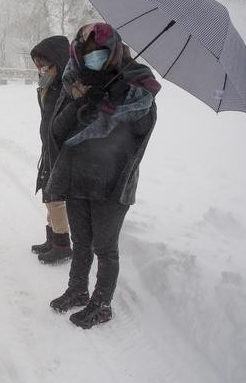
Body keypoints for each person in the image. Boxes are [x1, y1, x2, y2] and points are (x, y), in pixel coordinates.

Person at [46, 22, 160, 329]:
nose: (93, 58)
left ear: (114, 51)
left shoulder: (138, 88)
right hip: (78, 176)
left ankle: (102, 304)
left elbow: (139, 134)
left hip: (112, 182)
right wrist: (85, 100)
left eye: (101, 52)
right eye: (88, 53)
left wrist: (116, 101)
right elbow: (57, 132)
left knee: (105, 248)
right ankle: (77, 290)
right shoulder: (74, 82)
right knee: (81, 241)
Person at [29, 36, 73, 265]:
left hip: (61, 147)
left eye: (46, 64)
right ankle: (51, 237)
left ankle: (62, 244)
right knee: (48, 190)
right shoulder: (49, 84)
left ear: (59, 60)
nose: (41, 69)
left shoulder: (67, 87)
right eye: (38, 65)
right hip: (49, 145)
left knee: (55, 195)